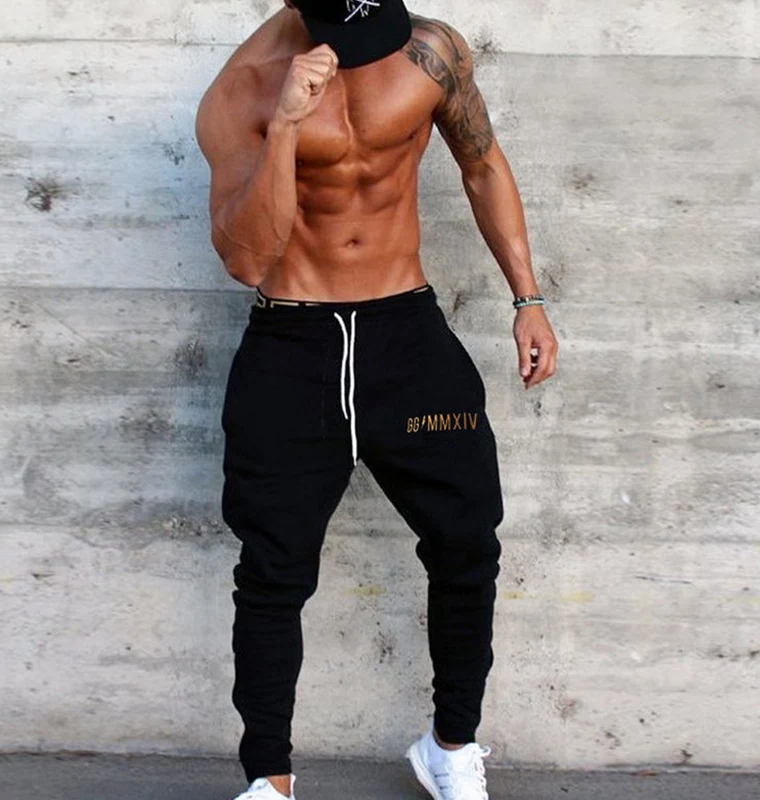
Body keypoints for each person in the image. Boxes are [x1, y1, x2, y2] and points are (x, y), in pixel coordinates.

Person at [195, 1, 558, 798]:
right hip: (292, 350)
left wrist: (528, 299)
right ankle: (270, 780)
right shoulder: (244, 88)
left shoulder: (431, 51)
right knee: (273, 570)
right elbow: (246, 259)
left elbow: (482, 163)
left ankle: (450, 746)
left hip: (409, 344)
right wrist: (287, 127)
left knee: (467, 543)